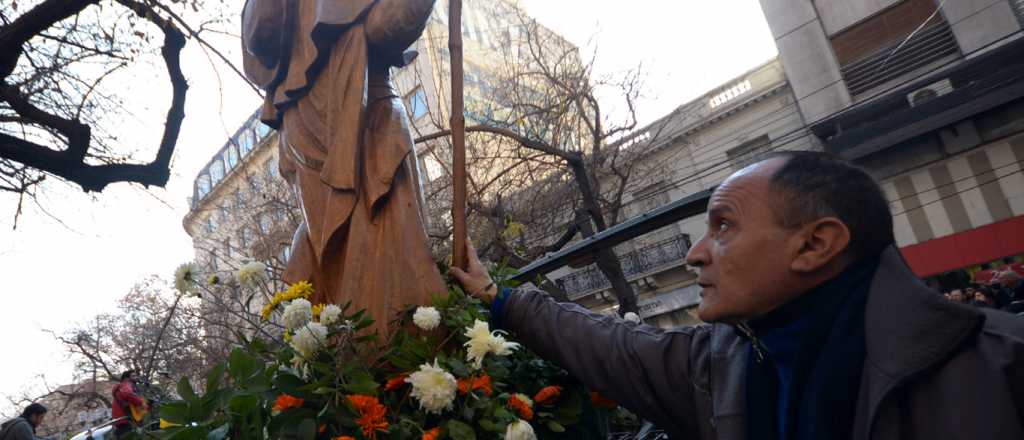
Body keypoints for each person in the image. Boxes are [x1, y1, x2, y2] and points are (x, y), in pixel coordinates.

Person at [449, 151, 1024, 440]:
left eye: (723, 226)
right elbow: (611, 345)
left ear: (815, 244)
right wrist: (499, 297)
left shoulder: (1000, 369)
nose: (696, 253)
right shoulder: (718, 367)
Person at [111, 370, 146, 438]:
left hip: (120, 420)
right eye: (133, 376)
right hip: (125, 419)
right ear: (126, 379)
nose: (136, 377)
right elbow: (128, 393)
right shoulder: (126, 384)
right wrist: (141, 403)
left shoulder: (120, 388)